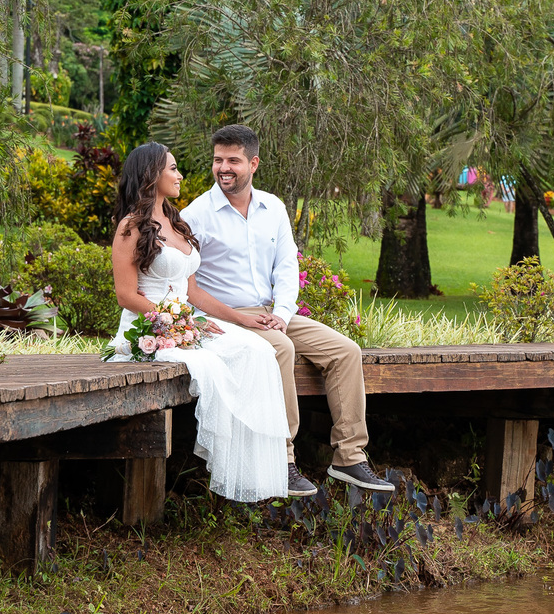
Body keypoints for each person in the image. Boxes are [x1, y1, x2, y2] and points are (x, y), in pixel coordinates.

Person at [181, 124, 395, 497]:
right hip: (227, 317)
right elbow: (188, 287)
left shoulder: (273, 208)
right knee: (281, 348)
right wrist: (242, 319)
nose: (223, 168)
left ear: (253, 163)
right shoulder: (196, 215)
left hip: (272, 313)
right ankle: (282, 460)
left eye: (233, 160)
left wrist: (282, 312)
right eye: (218, 160)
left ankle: (349, 456)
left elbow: (286, 267)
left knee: (346, 351)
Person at [106, 142, 290, 503]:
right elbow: (126, 295)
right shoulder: (131, 226)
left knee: (257, 350)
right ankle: (223, 466)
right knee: (213, 365)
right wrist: (175, 322)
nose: (180, 176)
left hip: (184, 323)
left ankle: (261, 466)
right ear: (151, 175)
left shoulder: (176, 223)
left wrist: (242, 319)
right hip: (148, 328)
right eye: (173, 169)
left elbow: (193, 292)